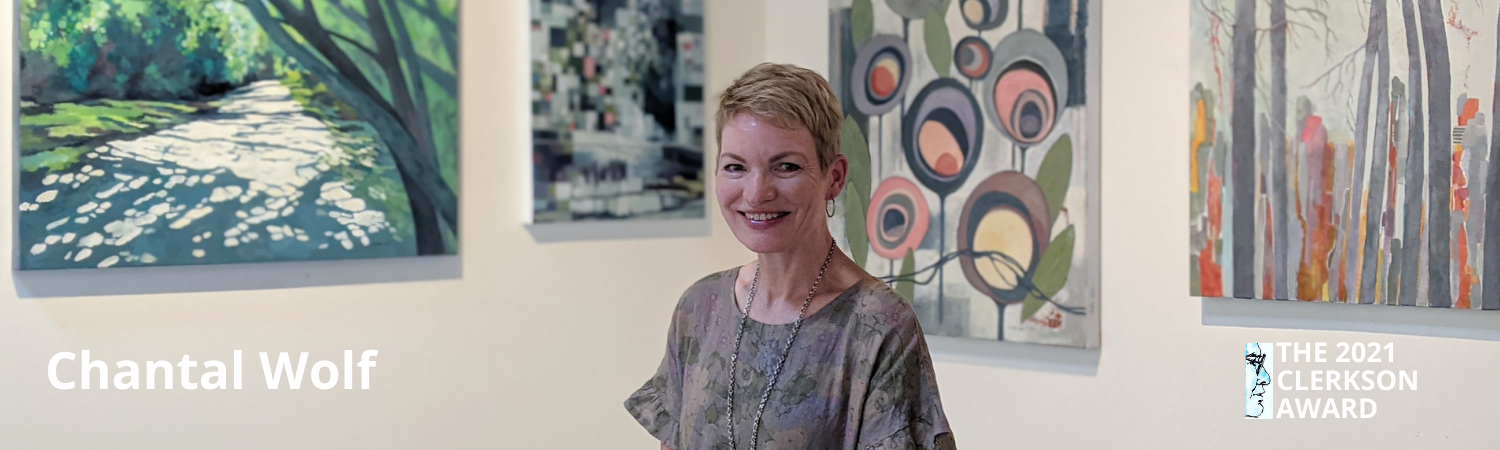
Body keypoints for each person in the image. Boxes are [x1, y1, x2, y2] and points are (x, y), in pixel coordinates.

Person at [625, 63, 955, 450]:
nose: (755, 193)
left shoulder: (878, 328)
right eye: (735, 167)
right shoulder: (699, 309)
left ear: (834, 178)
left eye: (786, 167)